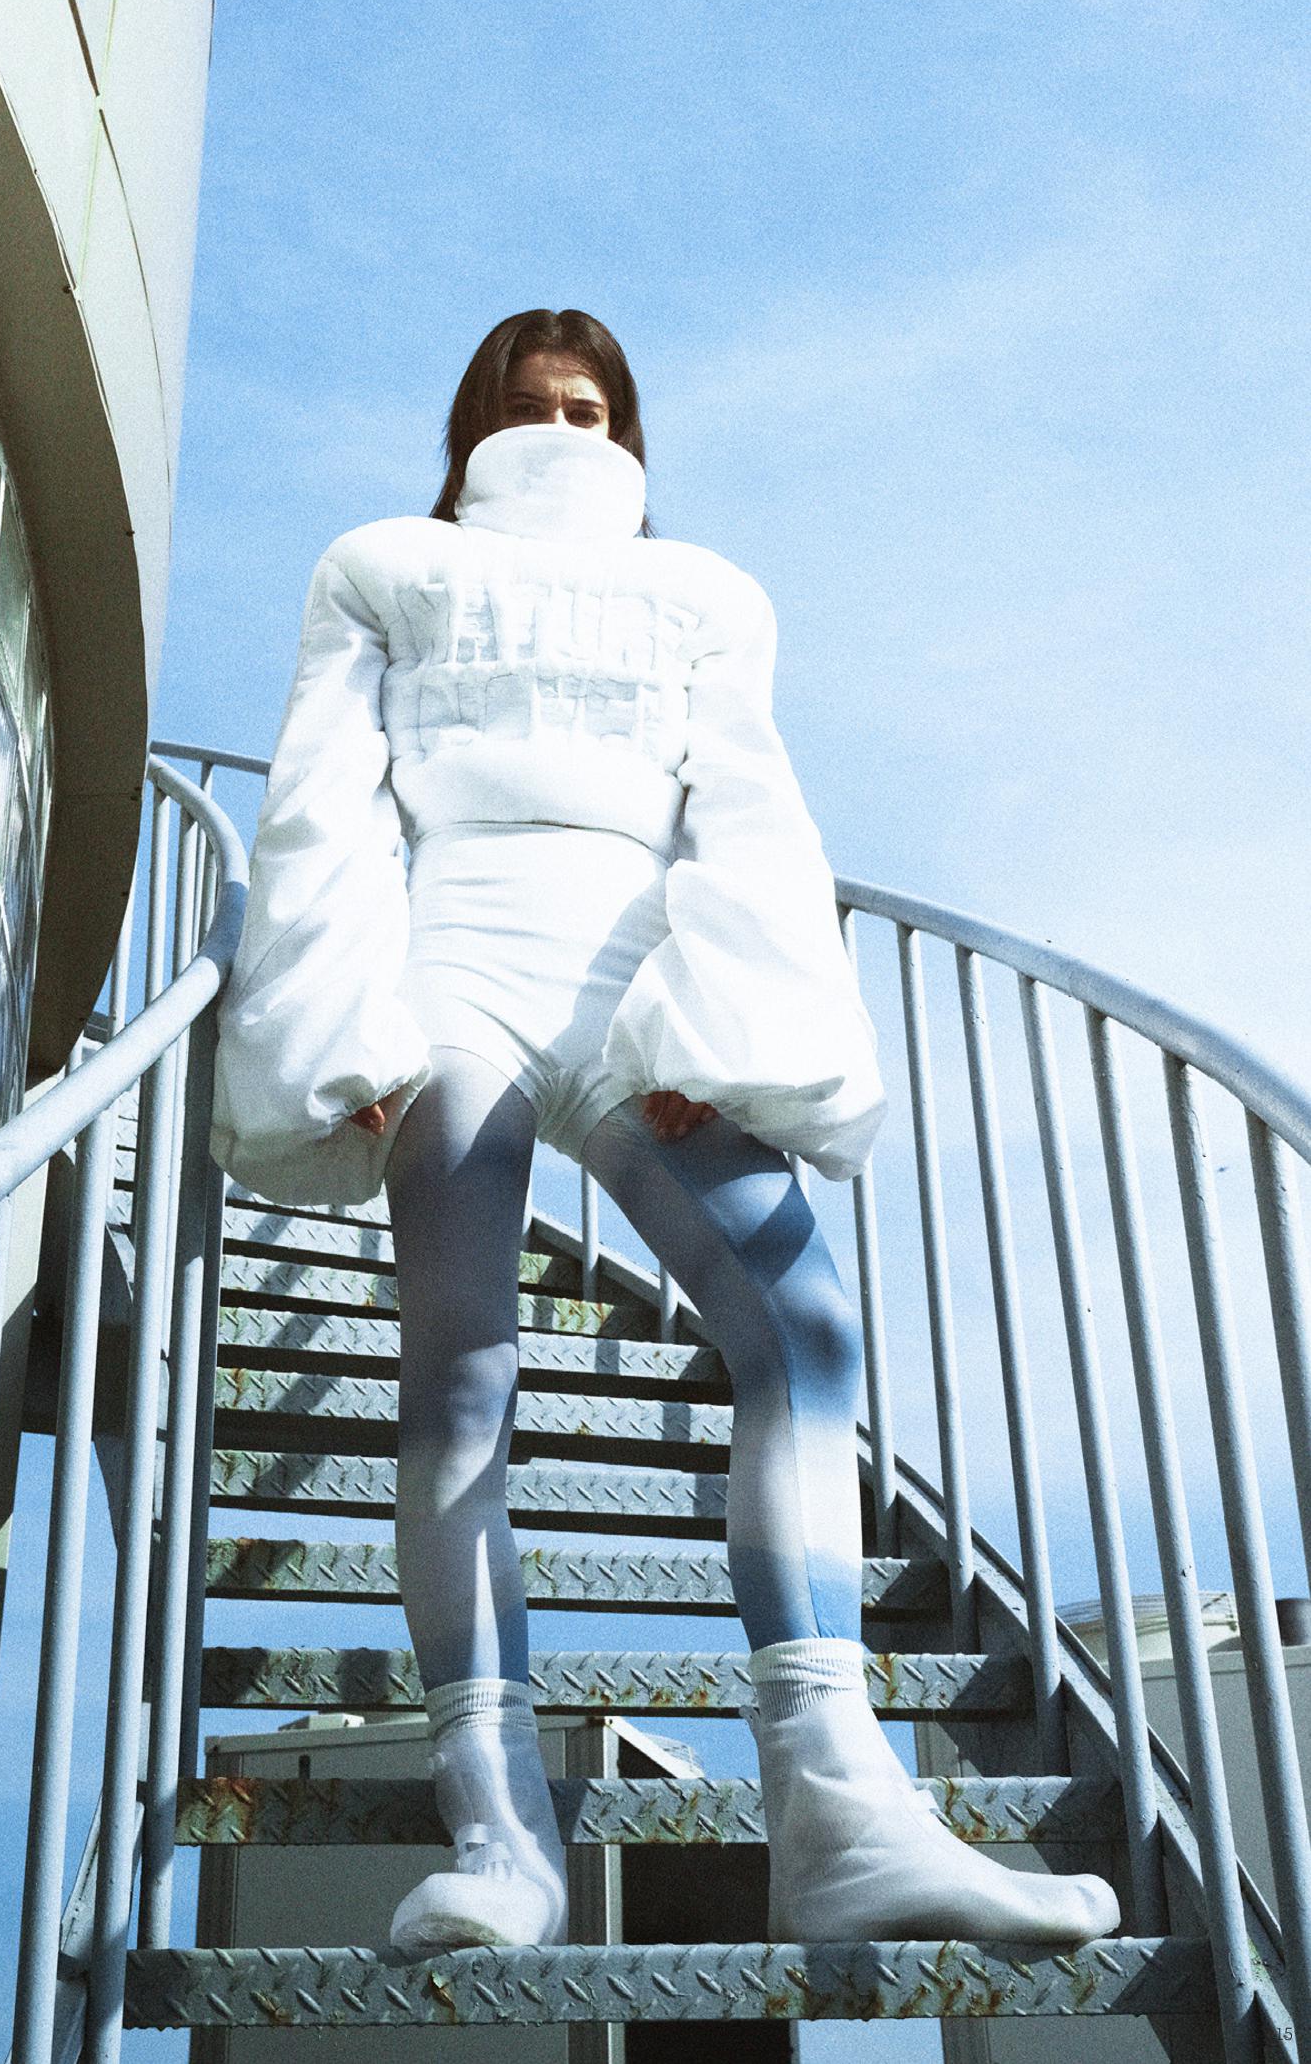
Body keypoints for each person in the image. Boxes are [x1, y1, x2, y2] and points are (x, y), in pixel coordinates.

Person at [210, 309, 1120, 1957]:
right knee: (461, 1379)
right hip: (456, 979)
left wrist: (727, 1016)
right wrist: (344, 1027)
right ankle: (501, 1839)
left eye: (591, 408)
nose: (562, 431)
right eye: (529, 404)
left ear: (628, 431)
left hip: (636, 988)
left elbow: (747, 809)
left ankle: (838, 1812)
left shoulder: (706, 594)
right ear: (472, 423)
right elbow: (319, 799)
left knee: (804, 1328)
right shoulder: (381, 565)